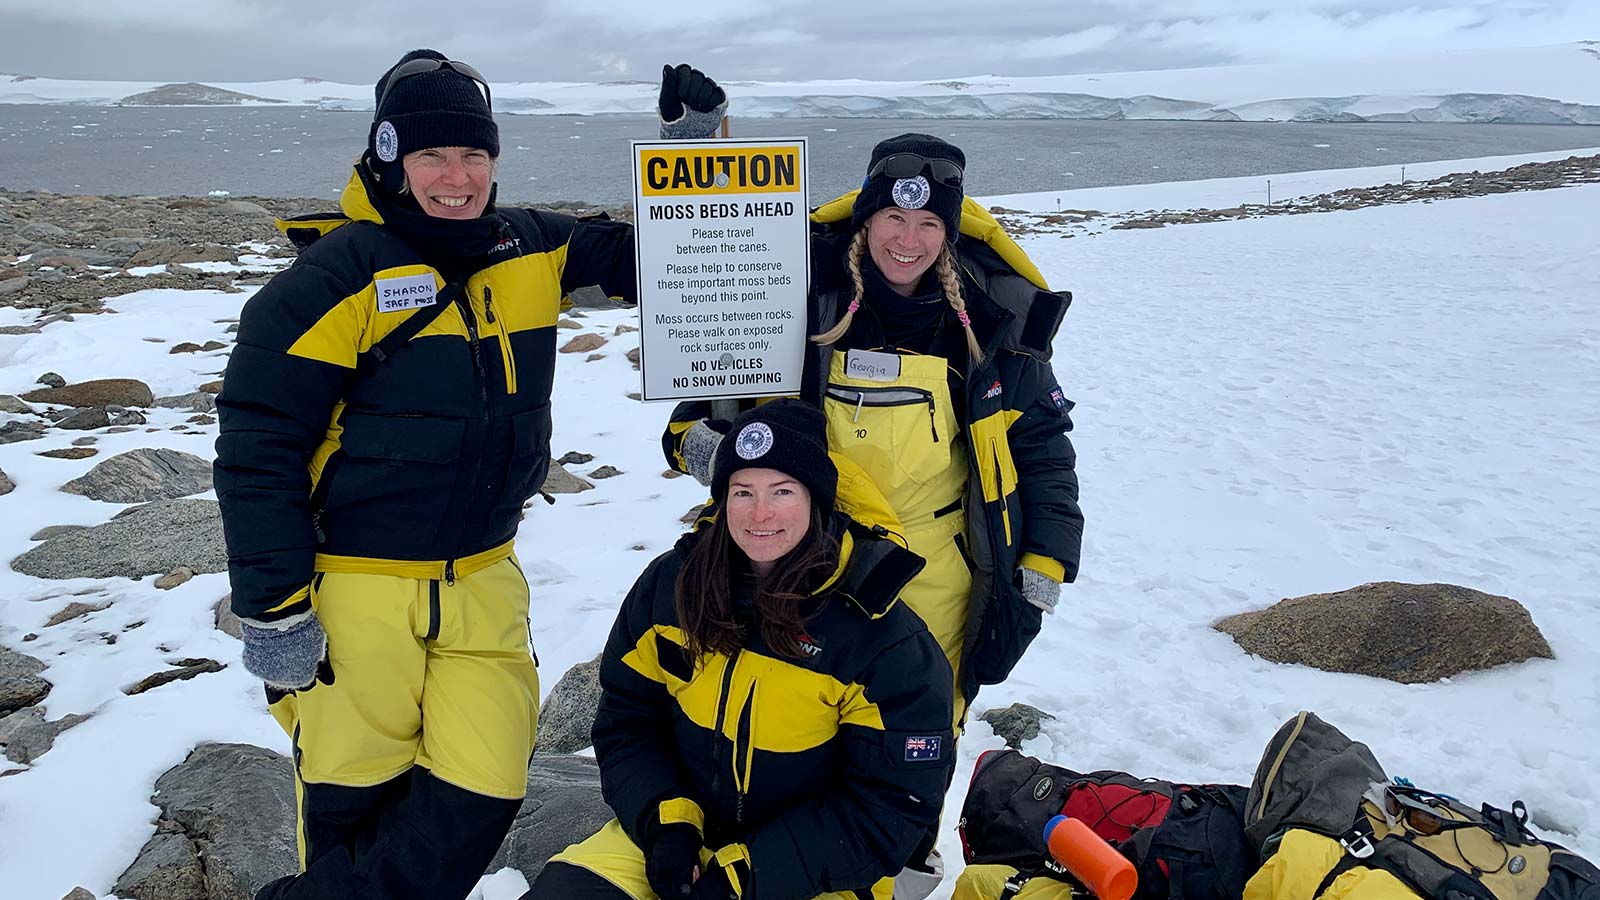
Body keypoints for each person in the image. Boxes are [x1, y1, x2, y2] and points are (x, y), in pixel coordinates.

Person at [213, 53, 725, 899]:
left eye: (474, 157)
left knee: (488, 783)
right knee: (354, 795)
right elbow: (258, 448)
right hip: (357, 586)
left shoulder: (528, 246)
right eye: (431, 158)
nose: (457, 179)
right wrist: (273, 609)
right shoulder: (331, 280)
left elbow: (669, 261)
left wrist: (695, 153)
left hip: (485, 573)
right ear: (388, 159)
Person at [664, 134, 1083, 718]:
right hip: (802, 559)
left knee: (917, 746)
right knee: (795, 736)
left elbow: (1041, 447)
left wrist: (1048, 560)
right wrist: (716, 450)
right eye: (893, 216)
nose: (909, 241)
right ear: (866, 218)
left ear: (950, 232)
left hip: (939, 575)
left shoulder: (994, 325)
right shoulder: (789, 293)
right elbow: (692, 414)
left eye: (929, 223)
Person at [527, 401, 957, 900]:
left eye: (782, 491)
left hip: (810, 875)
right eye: (742, 492)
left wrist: (749, 876)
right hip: (674, 836)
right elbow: (628, 719)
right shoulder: (673, 588)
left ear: (817, 501)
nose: (760, 514)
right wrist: (666, 821)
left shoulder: (880, 635)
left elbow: (891, 804)